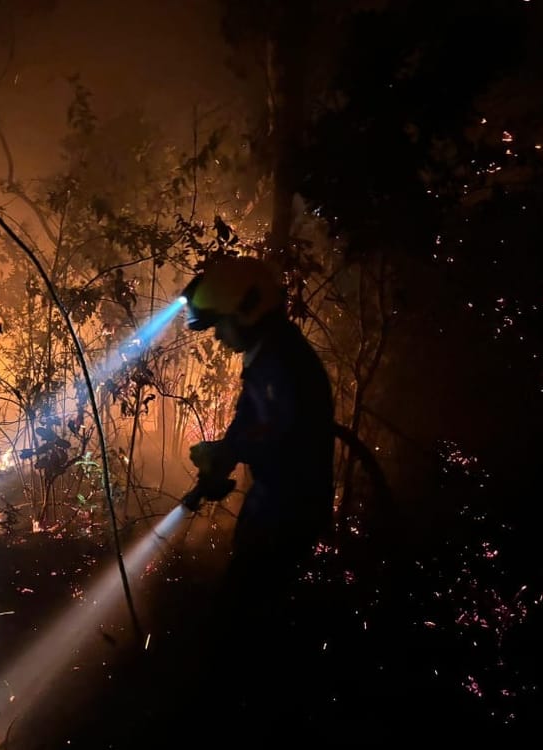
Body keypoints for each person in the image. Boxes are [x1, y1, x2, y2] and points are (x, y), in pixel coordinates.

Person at [176, 255, 336, 736]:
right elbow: (251, 421)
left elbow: (280, 433)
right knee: (249, 615)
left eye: (220, 325)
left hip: (289, 512)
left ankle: (250, 719)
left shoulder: (284, 362)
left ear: (246, 310)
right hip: (272, 504)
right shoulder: (267, 354)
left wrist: (228, 449)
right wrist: (223, 460)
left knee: (248, 622)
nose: (219, 339)